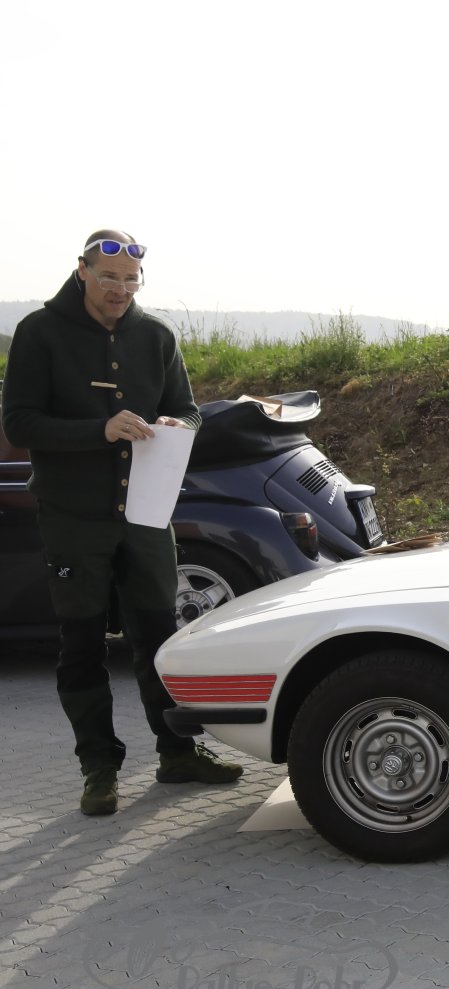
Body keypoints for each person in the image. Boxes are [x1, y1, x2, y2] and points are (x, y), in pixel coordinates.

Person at [0, 229, 242, 816]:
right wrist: (99, 430)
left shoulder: (156, 335)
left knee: (160, 639)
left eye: (131, 280)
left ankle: (177, 753)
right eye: (108, 277)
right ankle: (99, 768)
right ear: (82, 271)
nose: (120, 289)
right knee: (82, 642)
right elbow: (20, 423)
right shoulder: (40, 332)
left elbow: (188, 409)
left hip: (147, 515)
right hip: (73, 518)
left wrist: (177, 423)